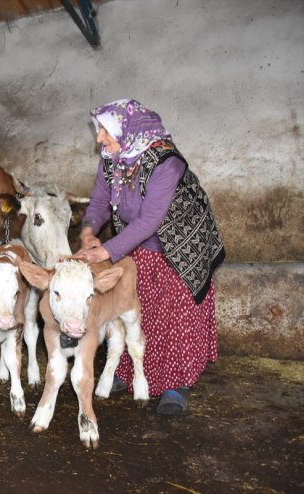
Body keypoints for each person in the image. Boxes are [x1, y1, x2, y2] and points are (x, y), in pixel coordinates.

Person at [76, 99, 225, 415]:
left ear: (126, 129)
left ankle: (176, 383)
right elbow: (100, 202)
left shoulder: (165, 162)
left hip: (183, 246)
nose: (99, 138)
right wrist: (89, 230)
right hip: (139, 244)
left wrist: (105, 250)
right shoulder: (112, 160)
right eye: (99, 130)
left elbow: (149, 221)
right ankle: (129, 374)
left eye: (104, 130)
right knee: (134, 307)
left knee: (174, 313)